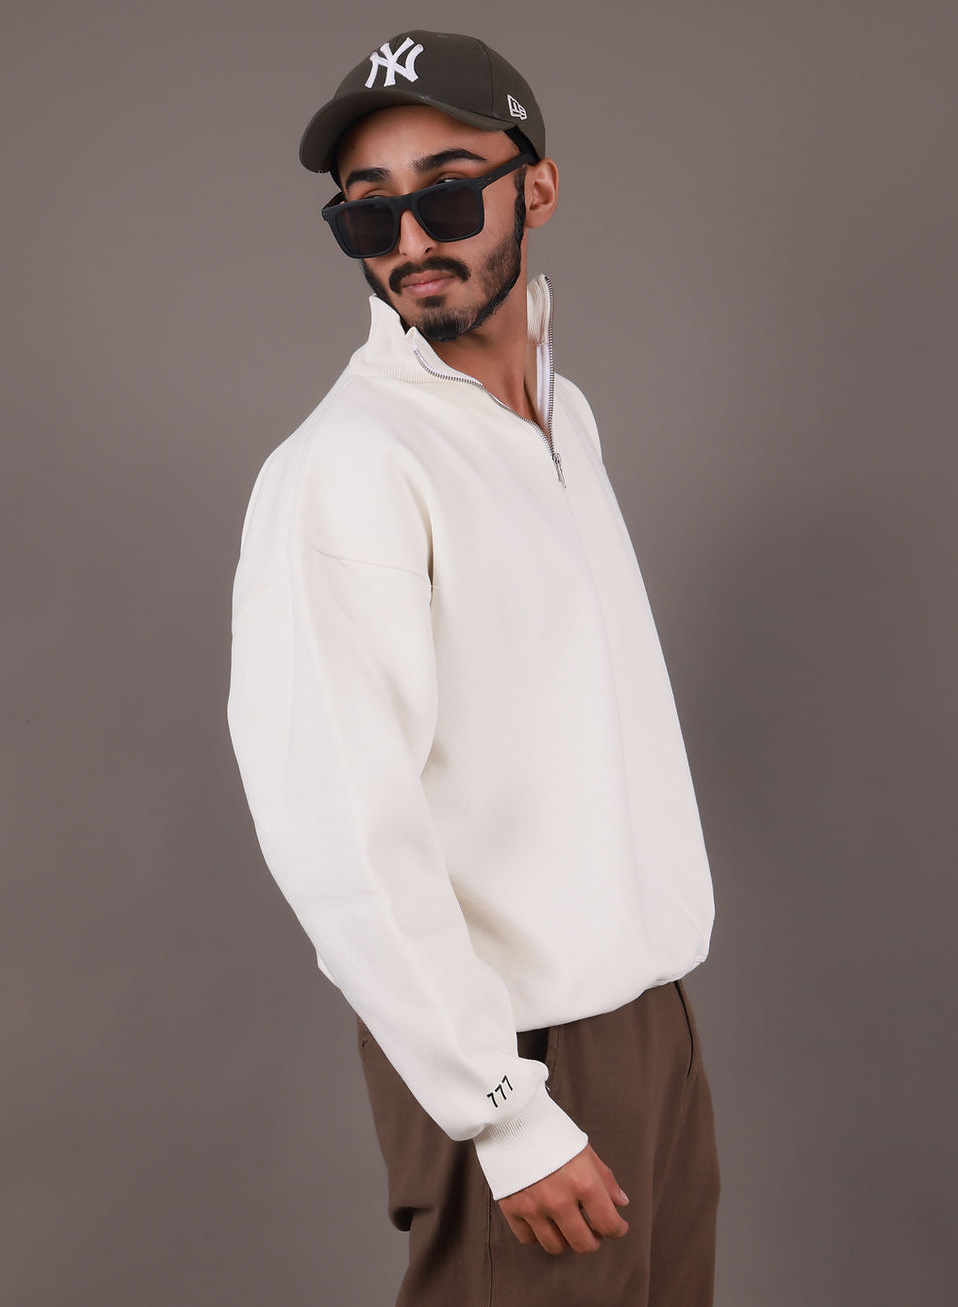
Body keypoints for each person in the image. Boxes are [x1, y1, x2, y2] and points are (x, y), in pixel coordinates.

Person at [227, 29, 720, 1307]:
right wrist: (501, 1103)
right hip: (519, 1053)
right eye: (367, 213)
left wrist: (653, 1041)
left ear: (534, 187)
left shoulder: (560, 419)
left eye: (447, 193)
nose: (409, 239)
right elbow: (338, 827)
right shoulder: (348, 466)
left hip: (645, 1025)